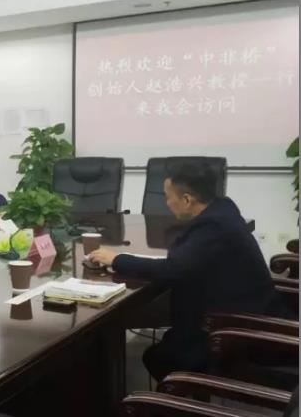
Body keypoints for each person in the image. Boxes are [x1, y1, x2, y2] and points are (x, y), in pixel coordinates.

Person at [87, 162, 285, 381]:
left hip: (242, 333)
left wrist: (117, 259)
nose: (166, 203)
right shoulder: (222, 209)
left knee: (159, 358)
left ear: (187, 199)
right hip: (252, 315)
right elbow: (185, 262)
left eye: (167, 197)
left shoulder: (213, 227)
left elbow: (173, 269)